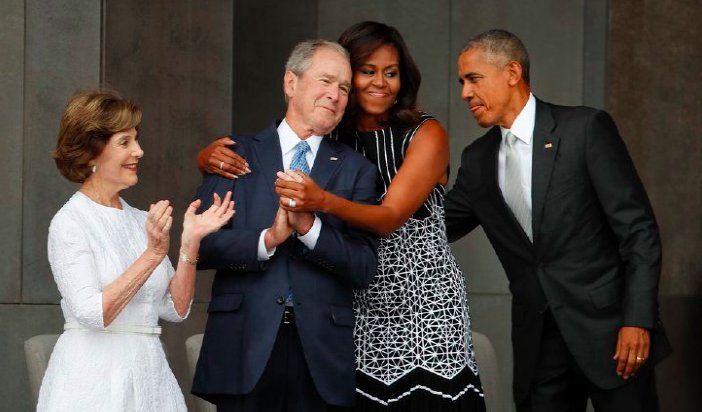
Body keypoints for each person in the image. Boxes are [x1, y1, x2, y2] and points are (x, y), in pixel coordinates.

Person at [198, 22, 486, 411]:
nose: (379, 83)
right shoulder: (325, 134)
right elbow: (205, 237)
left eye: (391, 73)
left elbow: (388, 218)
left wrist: (317, 206)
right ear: (293, 82)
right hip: (357, 310)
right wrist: (207, 161)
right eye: (366, 72)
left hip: (420, 301)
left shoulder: (420, 134)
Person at [443, 29, 672, 412]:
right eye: (461, 82)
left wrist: (638, 320)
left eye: (473, 79)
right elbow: (434, 228)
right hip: (539, 347)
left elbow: (639, 232)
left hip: (612, 333)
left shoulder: (584, 129)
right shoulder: (478, 159)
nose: (465, 93)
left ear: (512, 72)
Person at [190, 40, 379, 412]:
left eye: (344, 88)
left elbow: (363, 266)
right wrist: (268, 239)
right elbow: (201, 246)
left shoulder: (358, 170)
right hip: (244, 344)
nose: (335, 95)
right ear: (291, 83)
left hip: (321, 353)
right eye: (326, 80)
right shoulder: (233, 154)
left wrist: (309, 228)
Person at [38, 89, 235, 412]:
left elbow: (176, 308)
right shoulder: (70, 222)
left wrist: (190, 241)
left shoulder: (140, 220)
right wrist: (153, 254)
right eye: (125, 142)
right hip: (93, 380)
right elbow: (92, 314)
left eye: (136, 140)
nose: (139, 151)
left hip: (150, 374)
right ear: (91, 153)